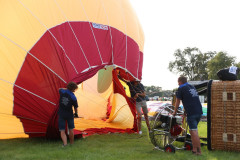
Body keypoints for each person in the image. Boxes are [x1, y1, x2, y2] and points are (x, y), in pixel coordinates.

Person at [173, 76, 203, 155]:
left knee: (194, 132)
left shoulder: (181, 88)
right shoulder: (192, 87)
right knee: (192, 130)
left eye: (178, 82)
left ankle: (199, 151)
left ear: (180, 82)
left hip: (192, 112)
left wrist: (174, 112)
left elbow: (177, 102)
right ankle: (194, 149)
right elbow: (191, 99)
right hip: (199, 111)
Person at [58, 81, 79, 147]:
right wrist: (76, 113)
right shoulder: (73, 96)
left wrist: (66, 89)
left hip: (61, 114)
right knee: (71, 129)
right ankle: (72, 143)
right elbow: (75, 107)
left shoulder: (62, 91)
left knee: (62, 130)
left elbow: (59, 89)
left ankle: (65, 144)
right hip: (69, 114)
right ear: (73, 89)